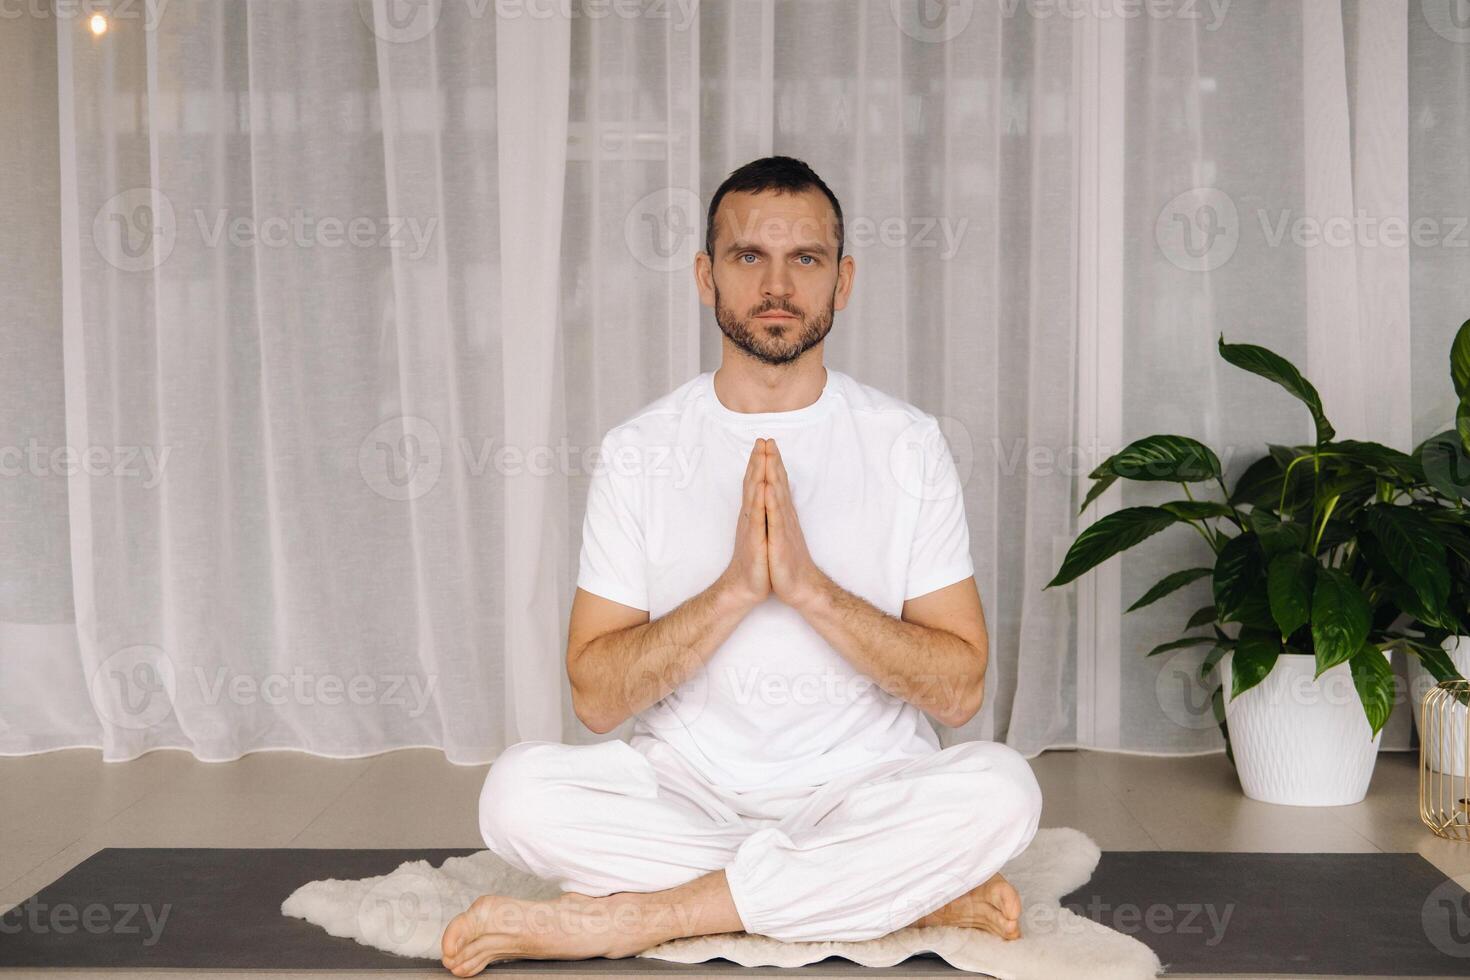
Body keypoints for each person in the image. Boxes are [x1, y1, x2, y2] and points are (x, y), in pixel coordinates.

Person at [441, 156, 1042, 977]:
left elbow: (961, 689)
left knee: (1005, 791)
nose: (778, 284)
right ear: (705, 275)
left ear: (844, 280)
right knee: (514, 796)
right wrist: (733, 592)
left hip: (858, 791)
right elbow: (595, 697)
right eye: (748, 256)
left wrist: (809, 591)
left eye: (806, 259)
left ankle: (655, 915)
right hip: (687, 791)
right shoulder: (639, 450)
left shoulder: (907, 444)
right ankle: (893, 894)